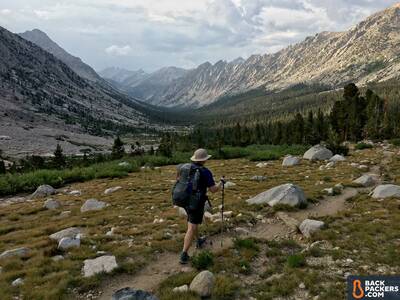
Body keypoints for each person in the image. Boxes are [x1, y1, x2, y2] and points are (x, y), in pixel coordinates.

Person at [178, 148, 221, 264]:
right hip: (196, 203)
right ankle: (184, 254)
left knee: (193, 222)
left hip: (185, 200)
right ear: (204, 160)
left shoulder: (186, 168)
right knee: (191, 227)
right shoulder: (205, 172)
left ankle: (198, 240)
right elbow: (213, 190)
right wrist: (221, 183)